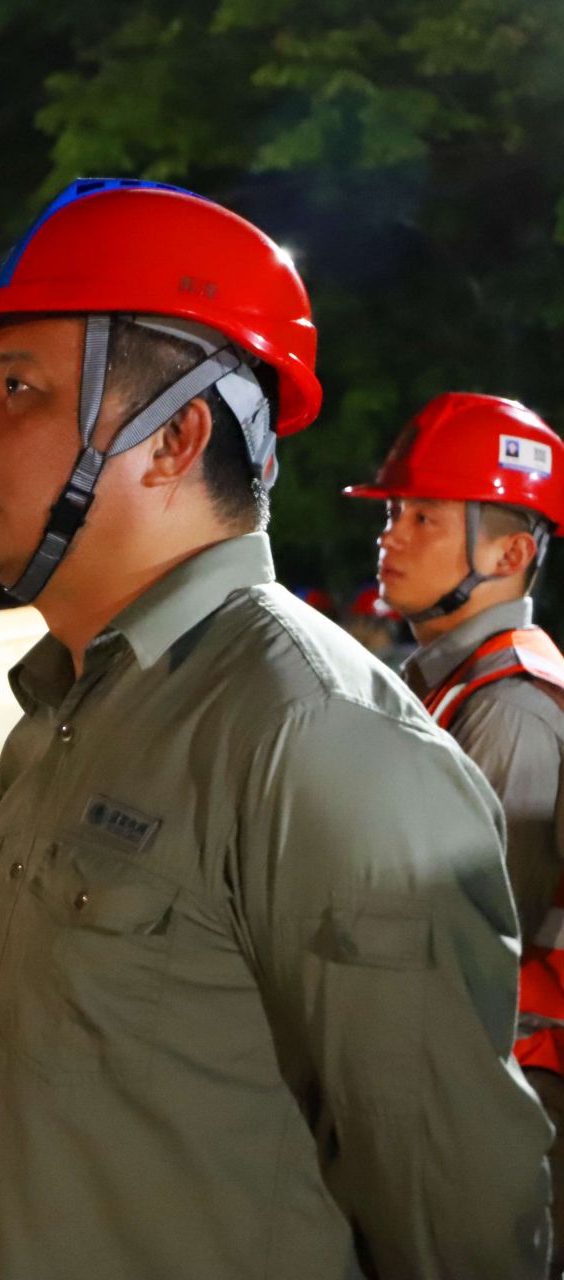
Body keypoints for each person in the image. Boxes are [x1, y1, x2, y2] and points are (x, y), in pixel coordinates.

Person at [0, 178, 550, 1277]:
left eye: (18, 387)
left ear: (175, 438)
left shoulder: (322, 742)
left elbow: (460, 1230)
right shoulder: (68, 708)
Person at [345, 392, 564, 1272]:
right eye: (392, 513)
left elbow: (478, 945)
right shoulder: (451, 684)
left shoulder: (512, 709)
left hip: (498, 1097)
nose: (390, 537)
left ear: (510, 554)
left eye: (423, 517)